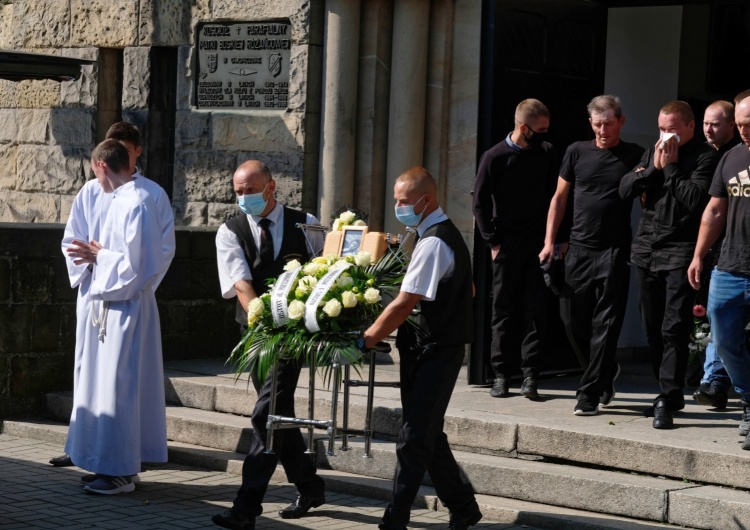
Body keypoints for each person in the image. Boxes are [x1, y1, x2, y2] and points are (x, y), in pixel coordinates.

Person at [358, 166, 480, 530]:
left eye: (404, 201)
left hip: (437, 350)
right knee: (427, 434)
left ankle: (394, 519)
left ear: (426, 201)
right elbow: (467, 290)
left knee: (413, 437)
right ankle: (463, 507)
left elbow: (404, 303)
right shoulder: (435, 235)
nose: (399, 207)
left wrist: (366, 339)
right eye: (396, 200)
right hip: (428, 347)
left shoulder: (434, 242)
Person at [53, 121, 175, 470]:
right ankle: (86, 448)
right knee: (90, 376)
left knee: (119, 382)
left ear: (134, 151)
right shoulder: (92, 191)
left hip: (128, 301)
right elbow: (72, 240)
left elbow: (157, 254)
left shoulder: (147, 196)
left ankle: (121, 460)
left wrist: (105, 263)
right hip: (95, 296)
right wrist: (93, 267)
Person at [212, 160, 325, 530]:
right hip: (258, 333)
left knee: (267, 414)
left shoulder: (305, 222)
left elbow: (327, 269)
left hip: (293, 336)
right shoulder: (229, 232)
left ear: (271, 187)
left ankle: (246, 508)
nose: (243, 198)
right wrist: (263, 320)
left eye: (250, 190)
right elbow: (242, 285)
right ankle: (310, 486)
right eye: (238, 191)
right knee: (278, 410)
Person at [539, 95, 644, 416]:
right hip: (579, 250)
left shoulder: (634, 155)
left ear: (621, 122)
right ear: (590, 124)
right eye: (597, 124)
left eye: (609, 124)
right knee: (572, 320)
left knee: (606, 324)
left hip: (614, 251)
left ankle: (589, 393)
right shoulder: (576, 152)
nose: (603, 130)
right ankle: (603, 370)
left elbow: (647, 202)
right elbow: (559, 198)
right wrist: (549, 241)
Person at [619, 101, 719, 429]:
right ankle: (669, 392)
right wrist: (653, 170)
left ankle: (666, 396)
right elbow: (625, 189)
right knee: (651, 328)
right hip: (646, 250)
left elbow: (695, 201)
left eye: (672, 129)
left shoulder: (706, 157)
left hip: (680, 251)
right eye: (662, 128)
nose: (666, 135)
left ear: (690, 127)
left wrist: (672, 168)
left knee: (673, 326)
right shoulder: (653, 153)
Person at [472, 99, 558, 400]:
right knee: (503, 310)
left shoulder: (545, 153)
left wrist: (553, 239)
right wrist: (492, 240)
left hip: (536, 242)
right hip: (506, 241)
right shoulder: (494, 157)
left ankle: (531, 375)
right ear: (524, 128)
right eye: (541, 129)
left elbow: (555, 198)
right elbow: (479, 203)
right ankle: (501, 374)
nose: (546, 134)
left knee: (536, 309)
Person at [688, 96, 750, 450]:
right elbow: (714, 210)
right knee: (725, 343)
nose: (744, 131)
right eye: (740, 125)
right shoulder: (731, 156)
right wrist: (698, 255)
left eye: (749, 124)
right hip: (729, 266)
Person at [692, 100, 738, 408]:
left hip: (736, 249)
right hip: (719, 253)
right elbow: (707, 209)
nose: (709, 129)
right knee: (718, 322)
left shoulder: (736, 156)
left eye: (716, 124)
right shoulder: (705, 157)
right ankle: (713, 381)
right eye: (706, 123)